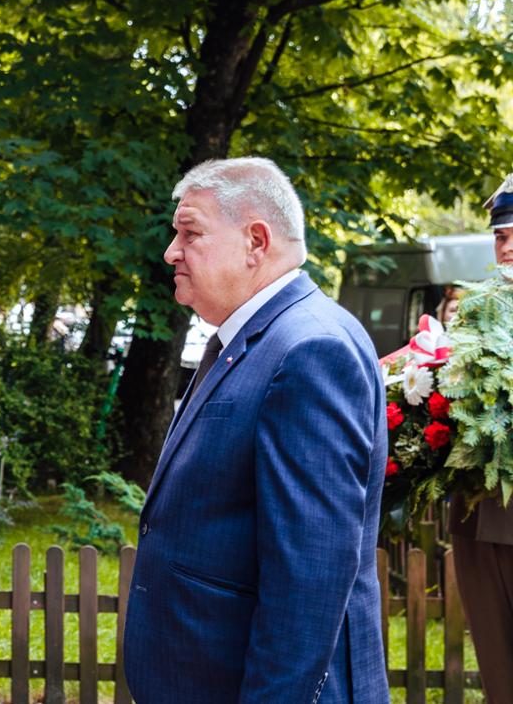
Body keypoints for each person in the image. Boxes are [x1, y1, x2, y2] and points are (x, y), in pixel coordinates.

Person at [124, 157, 386, 703]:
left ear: (256, 242)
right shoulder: (259, 338)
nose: (171, 251)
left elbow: (309, 577)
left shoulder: (310, 349)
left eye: (189, 232)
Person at [450, 173, 513, 703]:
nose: (507, 244)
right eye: (500, 235)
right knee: (499, 670)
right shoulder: (471, 310)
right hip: (478, 515)